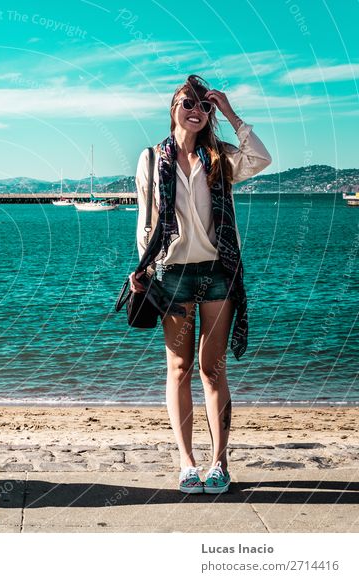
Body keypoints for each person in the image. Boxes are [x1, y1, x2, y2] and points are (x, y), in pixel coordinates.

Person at [129, 75, 271, 494]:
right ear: (173, 107)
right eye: (188, 101)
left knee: (213, 369)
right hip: (171, 274)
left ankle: (219, 463)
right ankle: (187, 462)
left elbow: (259, 157)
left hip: (217, 273)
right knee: (179, 368)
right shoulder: (152, 159)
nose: (196, 110)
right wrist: (142, 269)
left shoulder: (221, 157)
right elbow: (145, 220)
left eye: (203, 106)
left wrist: (229, 113)